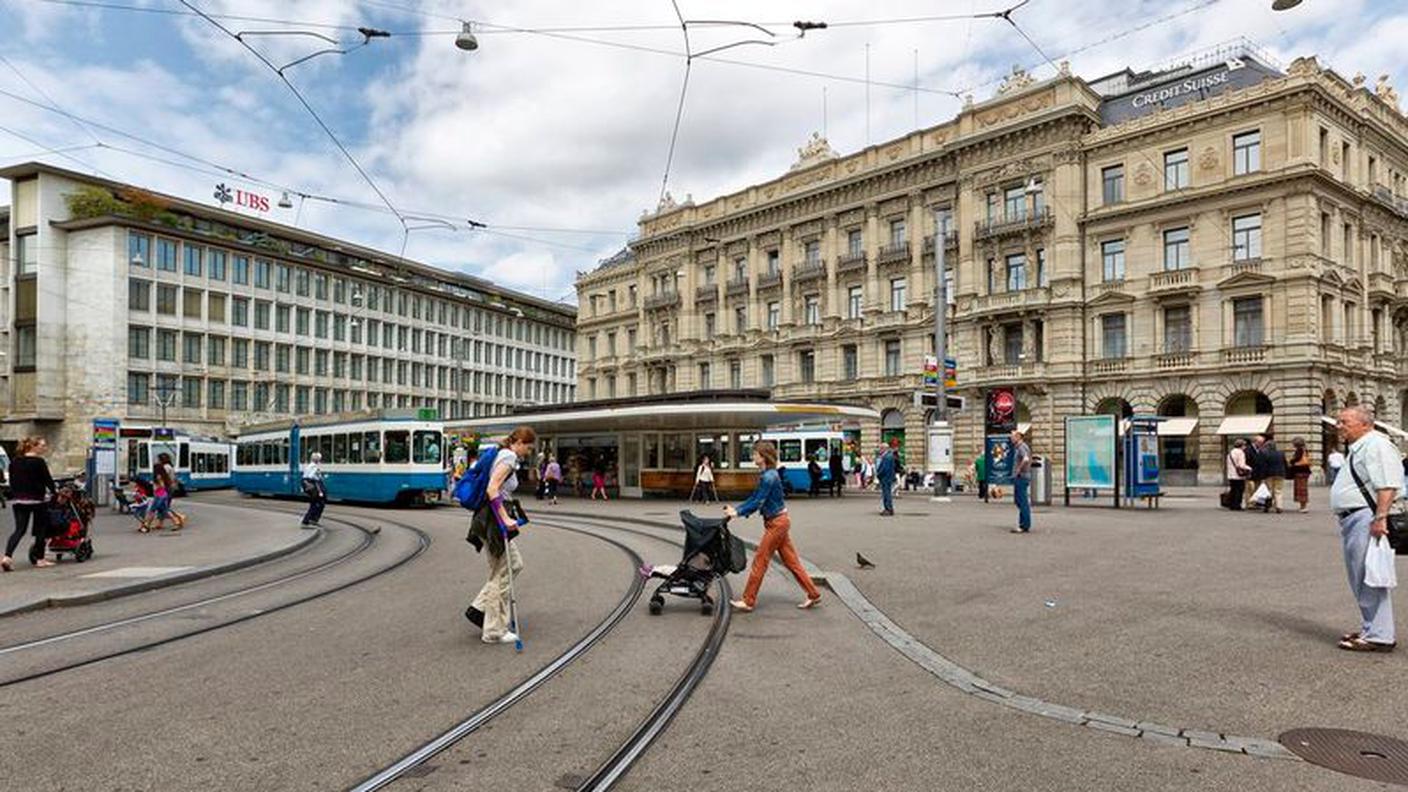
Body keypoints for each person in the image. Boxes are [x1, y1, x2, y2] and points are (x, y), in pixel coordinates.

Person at [1330, 406, 1400, 652]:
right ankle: (1372, 628)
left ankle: (1379, 635)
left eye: (1344, 422)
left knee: (1369, 577)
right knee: (1361, 576)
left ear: (1365, 424)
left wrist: (1380, 517)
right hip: (1357, 518)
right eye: (1339, 421)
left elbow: (1388, 485)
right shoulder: (1361, 446)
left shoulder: (1376, 445)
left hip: (1365, 518)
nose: (1339, 425)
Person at [725, 440, 822, 612]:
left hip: (776, 524)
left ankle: (748, 600)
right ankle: (813, 594)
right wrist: (737, 509)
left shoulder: (769, 477)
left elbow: (758, 501)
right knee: (792, 562)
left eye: (755, 453)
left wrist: (738, 513)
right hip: (779, 522)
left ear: (763, 456)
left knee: (760, 560)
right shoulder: (768, 474)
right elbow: (755, 497)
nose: (752, 455)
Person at [468, 426, 536, 645]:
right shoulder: (508, 456)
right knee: (505, 570)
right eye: (529, 447)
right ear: (520, 443)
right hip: (493, 520)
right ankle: (494, 630)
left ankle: (479, 609)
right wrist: (505, 518)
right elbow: (492, 489)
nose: (529, 452)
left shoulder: (503, 453)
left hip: (488, 518)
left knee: (509, 565)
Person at [2, 437, 58, 570]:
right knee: (40, 529)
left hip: (19, 500)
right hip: (37, 499)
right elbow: (47, 480)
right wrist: (54, 492)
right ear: (33, 446)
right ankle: (40, 559)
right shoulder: (39, 462)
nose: (44, 448)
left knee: (19, 530)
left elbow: (12, 480)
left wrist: (16, 494)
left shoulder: (15, 462)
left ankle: (7, 557)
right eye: (42, 445)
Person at [145, 453, 186, 533]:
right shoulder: (169, 467)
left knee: (156, 509)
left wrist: (157, 486)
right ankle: (172, 521)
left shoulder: (165, 468)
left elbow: (162, 483)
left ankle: (147, 525)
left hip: (162, 492)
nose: (157, 460)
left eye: (158, 459)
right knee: (163, 508)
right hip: (164, 491)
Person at [1010, 429, 1033, 534]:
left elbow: (1026, 459)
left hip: (1021, 477)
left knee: (1022, 501)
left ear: (1018, 437)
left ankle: (1024, 525)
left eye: (1012, 436)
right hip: (1021, 477)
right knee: (1019, 500)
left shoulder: (1022, 447)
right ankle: (1024, 523)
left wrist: (1019, 469)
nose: (1011, 438)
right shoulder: (1019, 447)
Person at [1257, 434, 1287, 514]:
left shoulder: (1264, 453)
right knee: (1278, 490)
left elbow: (1262, 466)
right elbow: (1285, 464)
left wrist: (1262, 476)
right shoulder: (1281, 453)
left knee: (1268, 490)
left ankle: (1267, 506)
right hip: (1280, 474)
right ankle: (1279, 506)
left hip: (1268, 474)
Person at [300, 451, 327, 529]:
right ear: (317, 460)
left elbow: (305, 477)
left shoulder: (309, 466)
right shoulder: (314, 467)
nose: (319, 460)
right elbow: (311, 477)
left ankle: (310, 520)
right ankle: (309, 520)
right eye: (319, 459)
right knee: (318, 503)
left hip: (311, 487)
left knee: (315, 503)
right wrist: (318, 475)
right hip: (315, 487)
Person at [1288, 437, 1313, 514]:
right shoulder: (1305, 450)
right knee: (1303, 488)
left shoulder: (1299, 450)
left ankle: (1303, 506)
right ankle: (1303, 505)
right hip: (1305, 471)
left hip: (1300, 472)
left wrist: (1291, 461)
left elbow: (1296, 459)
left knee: (1301, 489)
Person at [1225, 439, 1251, 511]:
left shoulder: (1230, 452)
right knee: (1239, 490)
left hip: (1231, 475)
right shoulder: (1240, 453)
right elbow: (1241, 465)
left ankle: (1232, 505)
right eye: (1244, 445)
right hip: (1238, 475)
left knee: (1233, 490)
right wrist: (1249, 468)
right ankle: (1237, 505)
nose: (1245, 447)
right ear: (1241, 446)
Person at [876, 440, 899, 516]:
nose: (879, 450)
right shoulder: (888, 456)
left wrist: (878, 474)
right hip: (887, 477)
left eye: (880, 448)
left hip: (886, 478)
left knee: (886, 494)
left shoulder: (887, 457)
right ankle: (888, 509)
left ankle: (888, 509)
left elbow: (884, 469)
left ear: (884, 449)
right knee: (886, 493)